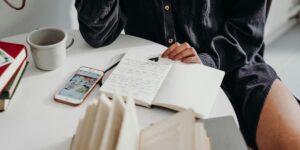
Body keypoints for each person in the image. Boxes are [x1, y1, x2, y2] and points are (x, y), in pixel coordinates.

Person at [75, 0, 300, 149]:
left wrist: (205, 60)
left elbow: (247, 31)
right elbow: (98, 35)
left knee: (292, 141)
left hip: (237, 66)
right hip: (156, 76)